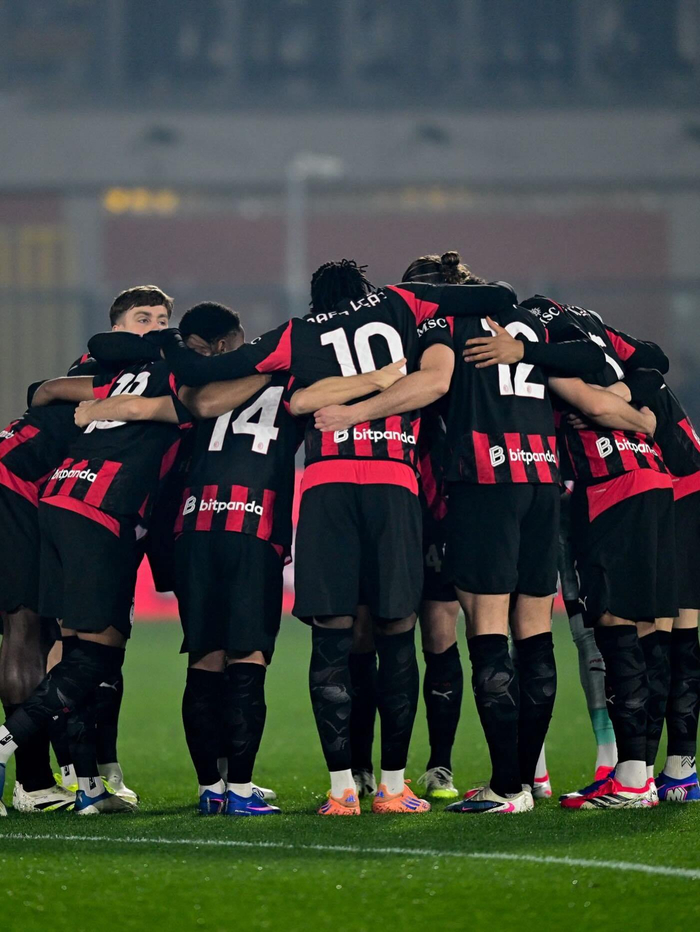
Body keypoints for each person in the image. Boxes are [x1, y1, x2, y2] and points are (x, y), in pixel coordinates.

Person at [152, 259, 515, 814]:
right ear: (365, 288)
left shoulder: (298, 333)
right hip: (394, 480)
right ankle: (393, 788)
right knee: (397, 632)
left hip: (325, 486)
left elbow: (216, 374)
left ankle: (342, 789)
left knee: (331, 636)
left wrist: (165, 340)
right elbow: (498, 295)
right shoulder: (403, 302)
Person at [0, 324, 190, 815]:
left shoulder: (108, 376)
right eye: (144, 316)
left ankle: (84, 785)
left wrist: (95, 406)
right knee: (75, 650)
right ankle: (21, 764)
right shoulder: (181, 381)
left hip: (55, 497)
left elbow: (43, 390)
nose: (153, 322)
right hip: (71, 502)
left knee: (67, 646)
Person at [521, 296, 677, 809]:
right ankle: (641, 773)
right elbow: (653, 365)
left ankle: (631, 779)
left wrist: (614, 407)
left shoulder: (550, 353)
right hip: (655, 481)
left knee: (614, 630)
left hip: (612, 487)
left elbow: (594, 407)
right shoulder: (608, 346)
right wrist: (640, 417)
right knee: (651, 633)